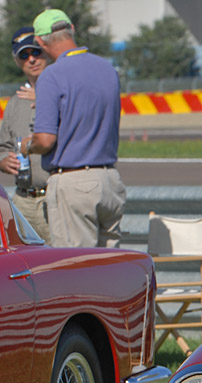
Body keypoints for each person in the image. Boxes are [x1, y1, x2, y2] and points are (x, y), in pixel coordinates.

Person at [21, 8, 125, 248]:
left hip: (74, 181)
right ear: (72, 30)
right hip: (110, 179)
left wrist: (27, 145)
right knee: (109, 267)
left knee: (76, 270)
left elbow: (45, 140)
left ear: (39, 41)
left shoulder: (52, 75)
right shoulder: (107, 70)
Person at [0, 27, 51, 241]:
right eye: (24, 55)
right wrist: (3, 161)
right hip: (23, 199)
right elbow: (3, 146)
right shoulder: (14, 103)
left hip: (54, 197)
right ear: (17, 61)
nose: (31, 59)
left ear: (47, 52)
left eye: (36, 52)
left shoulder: (65, 92)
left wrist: (43, 97)